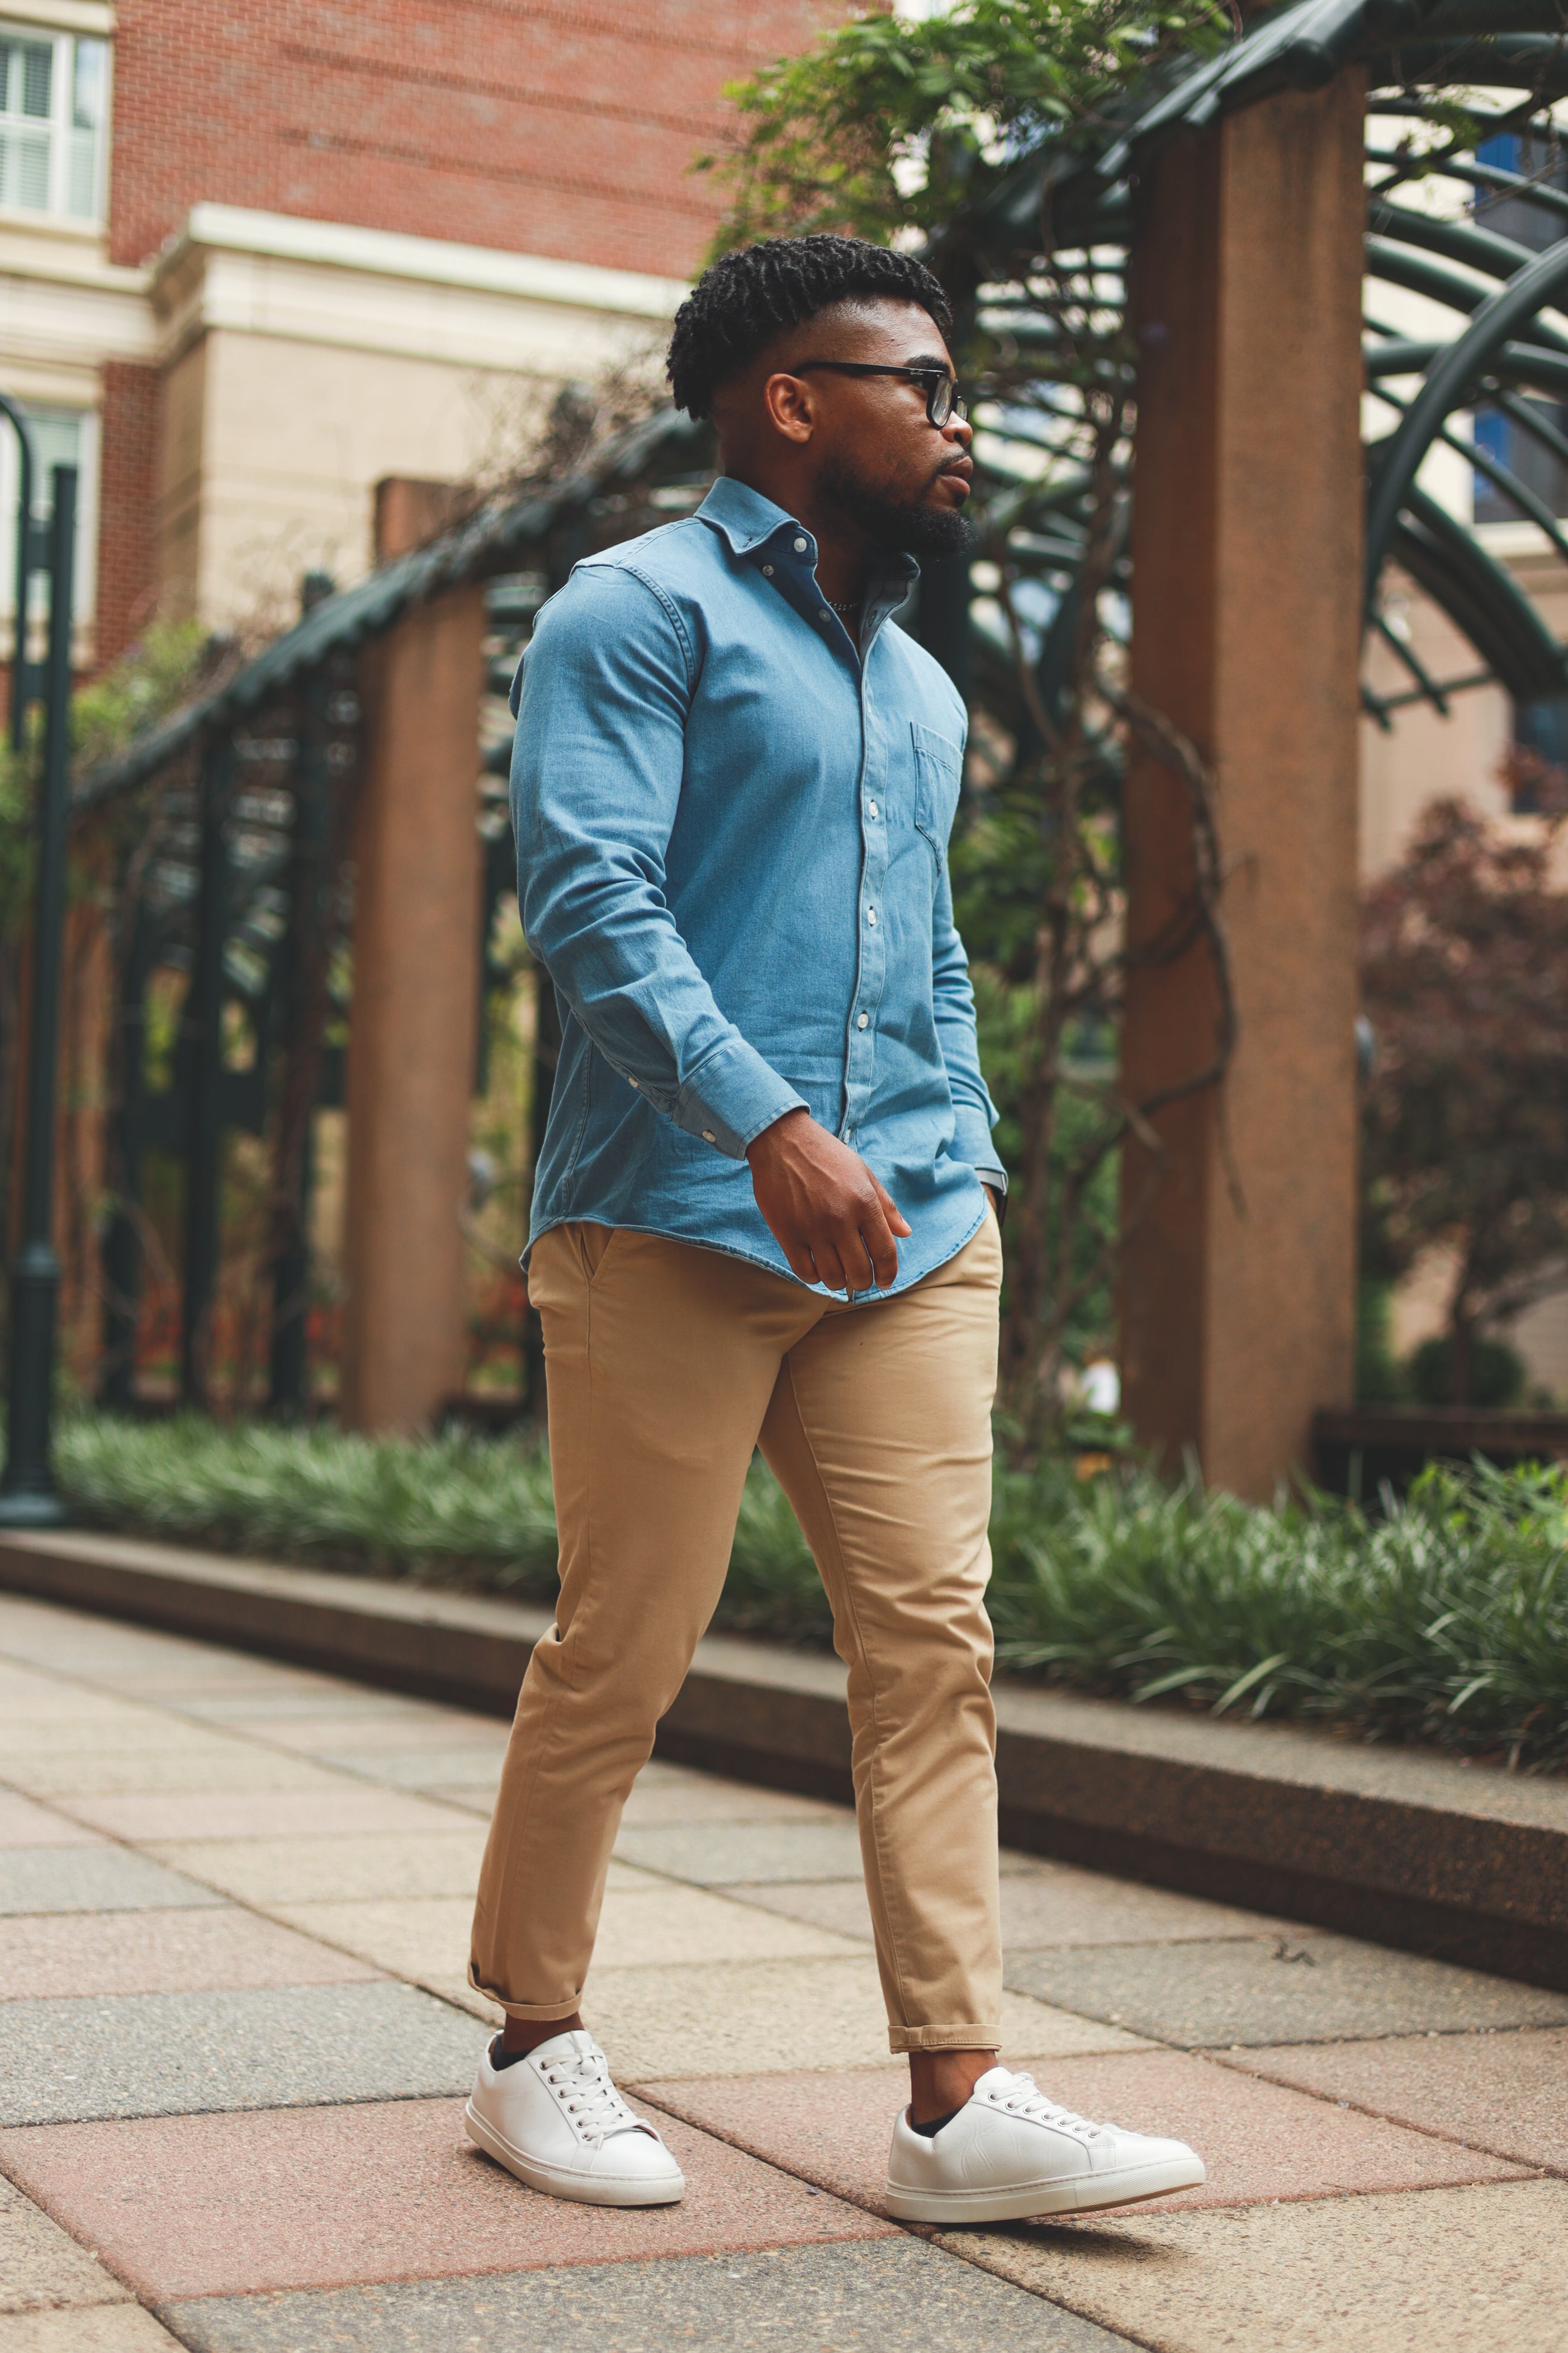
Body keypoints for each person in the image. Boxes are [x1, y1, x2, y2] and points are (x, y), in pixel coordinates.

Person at [465, 233, 1204, 2224]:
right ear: (793, 400)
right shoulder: (634, 613)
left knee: (933, 1643)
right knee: (626, 1648)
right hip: (680, 1216)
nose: (958, 428)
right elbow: (596, 904)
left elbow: (931, 950)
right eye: (925, 387)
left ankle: (956, 2096)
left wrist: (950, 1143)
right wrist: (773, 1124)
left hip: (910, 1229)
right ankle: (534, 2047)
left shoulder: (923, 682)